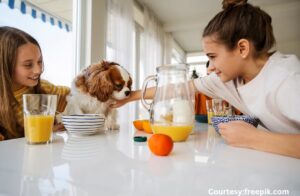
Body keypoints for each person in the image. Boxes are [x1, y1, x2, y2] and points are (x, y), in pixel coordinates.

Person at [112, 0, 300, 158]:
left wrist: (253, 138)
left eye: (213, 57)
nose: (209, 67)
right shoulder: (228, 80)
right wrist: (130, 96)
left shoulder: (286, 79)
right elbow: (180, 87)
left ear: (242, 48)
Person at [0, 26, 70, 141]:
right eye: (28, 65)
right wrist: (44, 132)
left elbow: (77, 96)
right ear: (5, 65)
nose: (38, 70)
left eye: (39, 61)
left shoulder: (43, 87)